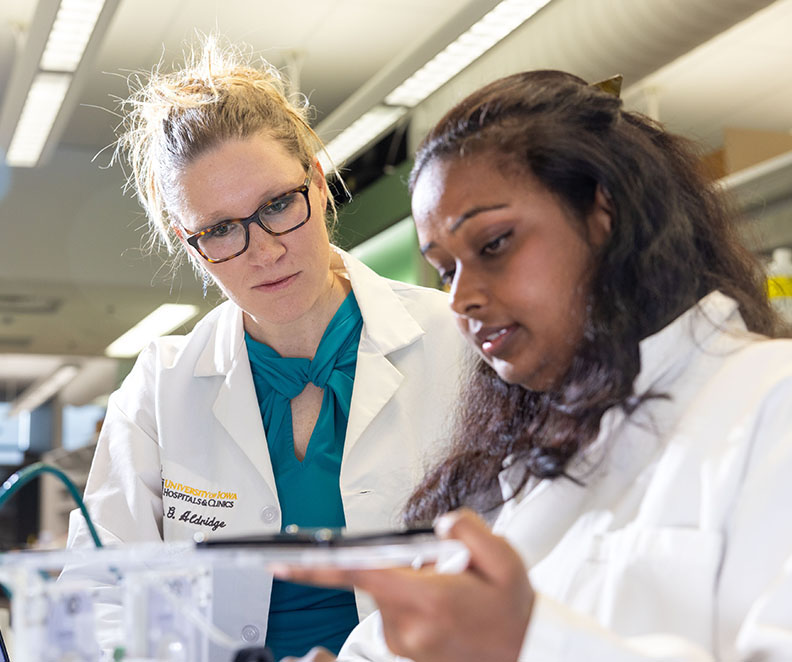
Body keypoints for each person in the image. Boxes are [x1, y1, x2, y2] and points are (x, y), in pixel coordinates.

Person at [278, 70, 792, 662]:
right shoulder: (529, 462)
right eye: (446, 270)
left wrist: (526, 642)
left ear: (605, 211)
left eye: (493, 244)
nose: (461, 298)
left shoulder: (767, 401)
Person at [61, 38, 466, 661]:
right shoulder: (160, 388)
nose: (263, 250)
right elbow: (98, 595)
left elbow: (518, 561)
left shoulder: (455, 343)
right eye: (220, 229)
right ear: (188, 242)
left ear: (318, 181)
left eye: (278, 205)